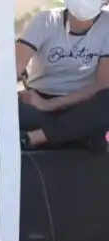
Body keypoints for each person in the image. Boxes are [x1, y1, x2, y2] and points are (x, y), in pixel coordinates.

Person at [13, 0, 109, 150]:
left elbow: (102, 84)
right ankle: (70, 135)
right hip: (38, 102)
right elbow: (14, 68)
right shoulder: (45, 20)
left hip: (83, 106)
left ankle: (36, 137)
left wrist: (49, 105)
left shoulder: (107, 25)